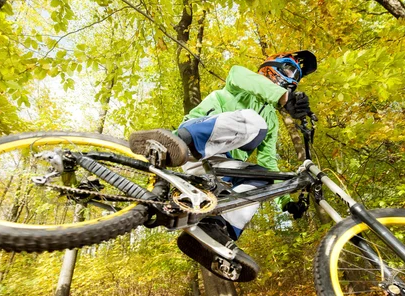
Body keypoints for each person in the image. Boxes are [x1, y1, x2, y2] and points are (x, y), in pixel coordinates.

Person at [129, 50, 317, 282]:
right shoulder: (243, 79)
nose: (292, 78)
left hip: (219, 167)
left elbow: (268, 160)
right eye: (289, 70)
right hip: (191, 146)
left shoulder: (271, 119)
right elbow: (239, 77)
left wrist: (285, 201)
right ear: (273, 66)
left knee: (264, 178)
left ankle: (214, 229)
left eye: (296, 77)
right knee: (254, 122)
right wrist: (284, 98)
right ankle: (172, 145)